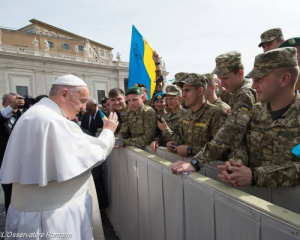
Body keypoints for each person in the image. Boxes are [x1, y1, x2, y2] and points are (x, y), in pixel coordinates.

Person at [0, 74, 118, 239]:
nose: (83, 107)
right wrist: (108, 131)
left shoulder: (35, 114)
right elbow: (94, 153)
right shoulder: (53, 120)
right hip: (53, 217)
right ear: (64, 94)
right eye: (82, 100)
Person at [217, 47, 300, 188]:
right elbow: (243, 144)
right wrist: (236, 164)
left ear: (284, 79)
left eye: (259, 79)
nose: (254, 85)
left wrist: (256, 176)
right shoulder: (254, 111)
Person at [171, 51, 257, 174]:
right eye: (220, 79)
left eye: (225, 78)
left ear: (240, 73)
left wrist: (196, 162)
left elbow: (231, 132)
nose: (222, 84)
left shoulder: (244, 94)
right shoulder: (237, 92)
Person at [166, 73, 227, 159]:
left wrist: (190, 150)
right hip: (186, 166)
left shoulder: (216, 114)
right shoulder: (187, 114)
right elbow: (185, 140)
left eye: (187, 90)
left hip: (208, 170)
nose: (183, 95)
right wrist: (176, 144)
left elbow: (222, 149)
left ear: (200, 91)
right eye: (183, 91)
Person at [0, 93, 24, 213]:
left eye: (17, 101)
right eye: (11, 102)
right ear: (4, 104)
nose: (15, 104)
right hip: (6, 164)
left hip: (22, 164)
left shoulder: (22, 117)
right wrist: (11, 107)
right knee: (9, 195)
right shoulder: (2, 118)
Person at [150, 85, 186, 152]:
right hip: (164, 153)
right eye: (167, 99)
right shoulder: (165, 116)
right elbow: (161, 135)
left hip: (179, 156)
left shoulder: (187, 117)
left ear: (180, 98)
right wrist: (157, 140)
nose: (169, 101)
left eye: (172, 98)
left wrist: (166, 130)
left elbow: (184, 141)